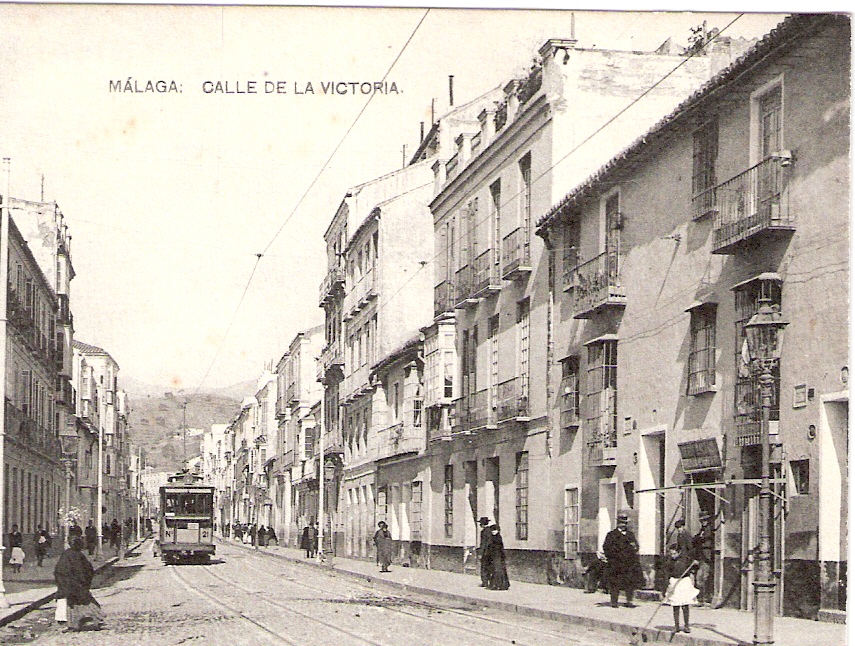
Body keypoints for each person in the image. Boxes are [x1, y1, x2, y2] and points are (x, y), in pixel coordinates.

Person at [54, 537, 104, 632]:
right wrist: (85, 582)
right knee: (86, 602)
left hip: (70, 585)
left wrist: (62, 584)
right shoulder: (79, 555)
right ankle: (96, 619)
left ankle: (73, 624)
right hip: (78, 585)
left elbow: (59, 571)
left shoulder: (67, 555)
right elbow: (89, 570)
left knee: (72, 605)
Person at [602, 511, 644, 608]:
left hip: (629, 563)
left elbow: (636, 546)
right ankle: (614, 601)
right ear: (618, 524)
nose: (624, 525)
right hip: (616, 563)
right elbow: (606, 547)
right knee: (615, 583)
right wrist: (613, 557)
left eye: (625, 523)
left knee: (630, 582)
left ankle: (629, 601)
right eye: (622, 522)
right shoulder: (611, 535)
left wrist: (635, 547)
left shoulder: (630, 534)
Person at [663, 542, 699, 633]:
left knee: (685, 605)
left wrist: (695, 564)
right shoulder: (669, 561)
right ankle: (676, 626)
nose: (672, 555)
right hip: (674, 582)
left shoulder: (686, 559)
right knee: (675, 605)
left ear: (679, 552)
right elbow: (666, 573)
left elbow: (694, 566)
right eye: (671, 553)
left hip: (684, 582)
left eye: (674, 553)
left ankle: (686, 626)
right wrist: (668, 585)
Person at [691, 513, 715, 605]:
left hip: (706, 558)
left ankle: (705, 599)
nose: (703, 522)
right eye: (701, 521)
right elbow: (697, 539)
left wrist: (700, 539)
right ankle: (701, 599)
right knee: (700, 578)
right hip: (701, 557)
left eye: (705, 520)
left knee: (703, 578)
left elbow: (704, 540)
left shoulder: (709, 530)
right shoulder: (702, 530)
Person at [484, 524, 509, 590]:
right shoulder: (492, 538)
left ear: (498, 530)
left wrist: (502, 556)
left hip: (498, 556)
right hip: (493, 556)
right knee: (494, 570)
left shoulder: (498, 538)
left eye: (494, 530)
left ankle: (500, 585)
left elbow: (501, 548)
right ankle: (495, 585)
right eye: (492, 530)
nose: (493, 531)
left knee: (498, 570)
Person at [477, 516, 492, 587]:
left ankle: (485, 582)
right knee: (489, 567)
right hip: (491, 552)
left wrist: (480, 553)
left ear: (482, 524)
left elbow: (483, 543)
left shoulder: (483, 532)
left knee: (484, 567)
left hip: (485, 553)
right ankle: (489, 581)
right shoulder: (490, 531)